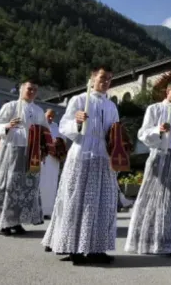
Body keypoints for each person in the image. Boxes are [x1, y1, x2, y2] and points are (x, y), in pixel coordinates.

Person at [41, 65, 121, 265]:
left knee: (102, 202)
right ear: (93, 78)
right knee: (75, 200)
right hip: (81, 153)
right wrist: (77, 122)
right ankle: (73, 248)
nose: (106, 82)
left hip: (103, 157)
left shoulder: (112, 106)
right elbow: (63, 127)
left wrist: (118, 146)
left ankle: (96, 249)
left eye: (110, 79)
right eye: (102, 77)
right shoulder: (78, 100)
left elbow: (115, 133)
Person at [125, 81, 171, 260]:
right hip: (159, 157)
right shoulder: (154, 109)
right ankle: (148, 240)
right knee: (154, 198)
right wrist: (158, 129)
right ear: (167, 91)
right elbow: (142, 133)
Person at [0, 80, 49, 236]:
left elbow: (45, 132)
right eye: (29, 89)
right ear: (21, 89)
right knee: (8, 185)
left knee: (25, 187)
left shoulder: (38, 111)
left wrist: (44, 148)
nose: (32, 92)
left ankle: (17, 221)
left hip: (31, 153)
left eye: (35, 90)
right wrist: (7, 126)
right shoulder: (10, 106)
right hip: (11, 150)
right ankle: (4, 223)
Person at [39, 109, 63, 219]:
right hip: (43, 157)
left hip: (54, 159)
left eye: (52, 116)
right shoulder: (40, 125)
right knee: (41, 183)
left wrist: (57, 142)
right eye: (49, 116)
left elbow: (63, 140)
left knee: (52, 183)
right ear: (44, 115)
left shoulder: (56, 127)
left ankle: (48, 210)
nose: (50, 118)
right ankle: (39, 210)